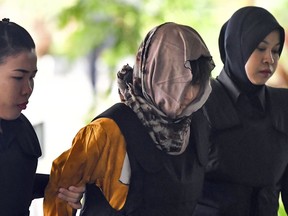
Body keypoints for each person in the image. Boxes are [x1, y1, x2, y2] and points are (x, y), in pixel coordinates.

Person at [43, 22, 215, 216]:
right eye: (181, 83)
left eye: (197, 84)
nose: (190, 95)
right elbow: (59, 192)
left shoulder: (196, 124)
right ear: (157, 73)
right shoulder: (107, 131)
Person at [192, 6, 288, 216]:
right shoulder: (200, 101)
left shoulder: (283, 106)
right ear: (236, 46)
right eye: (260, 48)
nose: (269, 59)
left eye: (275, 50)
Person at [0, 18, 85, 215]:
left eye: (32, 77)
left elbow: (16, 184)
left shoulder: (21, 127)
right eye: (18, 77)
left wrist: (62, 186)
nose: (28, 89)